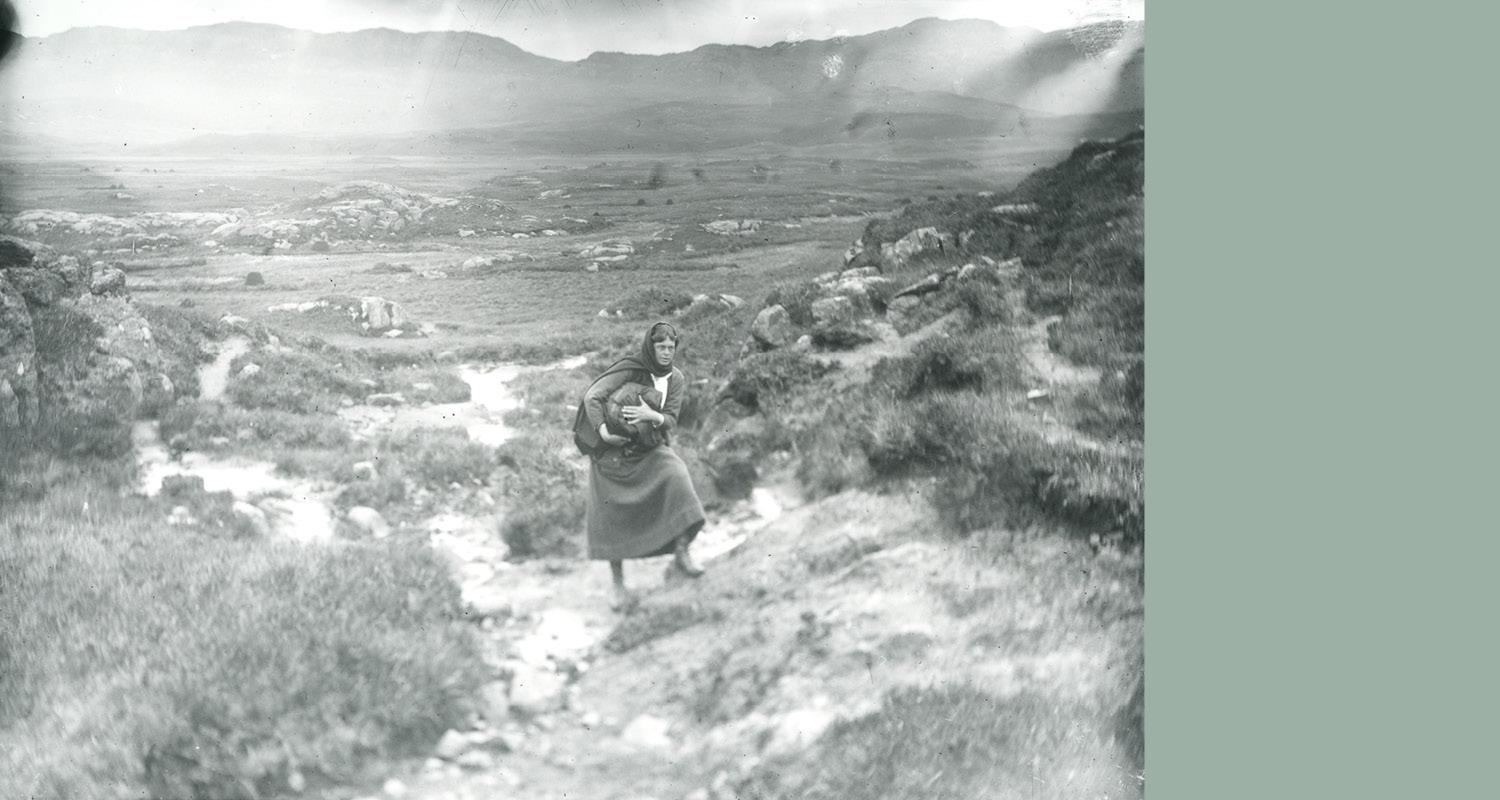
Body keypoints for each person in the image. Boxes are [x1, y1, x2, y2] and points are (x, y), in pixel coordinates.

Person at [577, 321, 706, 609]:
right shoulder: (632, 369)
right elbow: (592, 397)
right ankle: (618, 586)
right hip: (614, 453)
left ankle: (682, 554)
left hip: (650, 448)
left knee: (678, 477)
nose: (666, 353)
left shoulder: (676, 379)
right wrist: (603, 432)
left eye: (671, 348)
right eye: (660, 347)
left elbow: (671, 418)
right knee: (609, 516)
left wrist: (652, 415)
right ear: (651, 346)